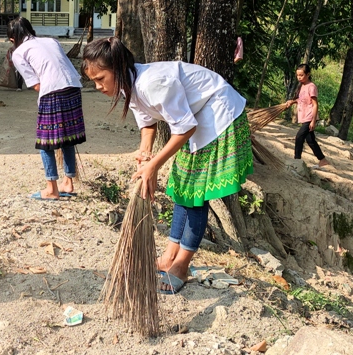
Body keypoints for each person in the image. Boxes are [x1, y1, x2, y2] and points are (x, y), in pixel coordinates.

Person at [81, 37, 253, 294]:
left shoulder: (153, 83)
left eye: (100, 78)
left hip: (217, 115)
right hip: (195, 120)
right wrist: (145, 153)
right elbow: (148, 123)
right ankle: (169, 257)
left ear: (117, 68)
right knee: (182, 190)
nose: (97, 86)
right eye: (93, 81)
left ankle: (182, 265)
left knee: (195, 194)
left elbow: (185, 127)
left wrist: (155, 166)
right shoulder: (131, 84)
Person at [8, 17, 85, 200]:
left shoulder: (18, 53)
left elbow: (36, 85)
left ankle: (51, 189)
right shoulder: (51, 40)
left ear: (12, 38)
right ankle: (68, 182)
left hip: (52, 92)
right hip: (73, 88)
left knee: (46, 142)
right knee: (68, 138)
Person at [287, 64, 330, 169]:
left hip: (309, 117)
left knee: (299, 137)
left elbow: (315, 104)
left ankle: (297, 160)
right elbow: (300, 100)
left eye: (301, 75)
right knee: (310, 140)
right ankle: (322, 160)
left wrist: (313, 121)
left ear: (308, 74)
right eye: (298, 75)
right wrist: (292, 102)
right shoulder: (302, 86)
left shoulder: (312, 87)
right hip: (304, 116)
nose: (299, 77)